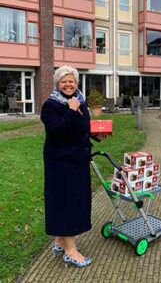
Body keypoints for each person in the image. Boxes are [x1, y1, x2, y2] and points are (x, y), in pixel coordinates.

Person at [41, 65, 95, 268]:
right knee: (66, 203)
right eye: (64, 81)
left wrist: (94, 135)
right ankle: (71, 251)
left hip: (78, 161)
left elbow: (82, 128)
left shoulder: (80, 101)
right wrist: (71, 110)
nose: (68, 84)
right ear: (58, 84)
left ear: (76, 83)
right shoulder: (51, 105)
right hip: (61, 163)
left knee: (75, 200)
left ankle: (59, 240)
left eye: (71, 81)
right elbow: (58, 130)